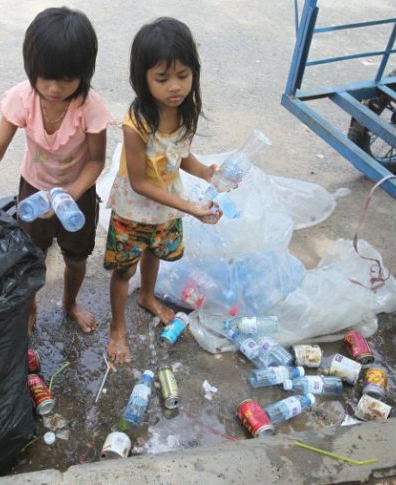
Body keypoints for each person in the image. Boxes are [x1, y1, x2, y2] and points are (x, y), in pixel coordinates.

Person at [0, 6, 114, 335]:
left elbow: (96, 161)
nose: (55, 88)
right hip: (33, 189)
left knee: (76, 257)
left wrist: (69, 196)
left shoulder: (91, 107)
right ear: (31, 66)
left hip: (76, 194)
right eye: (46, 77)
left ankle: (70, 303)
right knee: (31, 256)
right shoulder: (23, 98)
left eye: (67, 79)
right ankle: (29, 306)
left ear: (84, 73)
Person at [104, 17, 222, 364]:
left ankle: (148, 296)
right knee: (124, 269)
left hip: (165, 207)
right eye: (163, 78)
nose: (175, 87)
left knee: (154, 251)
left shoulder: (185, 111)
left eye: (183, 76)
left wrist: (208, 174)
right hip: (134, 207)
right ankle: (117, 326)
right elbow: (140, 183)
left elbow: (182, 157)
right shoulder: (136, 123)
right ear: (142, 78)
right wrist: (190, 207)